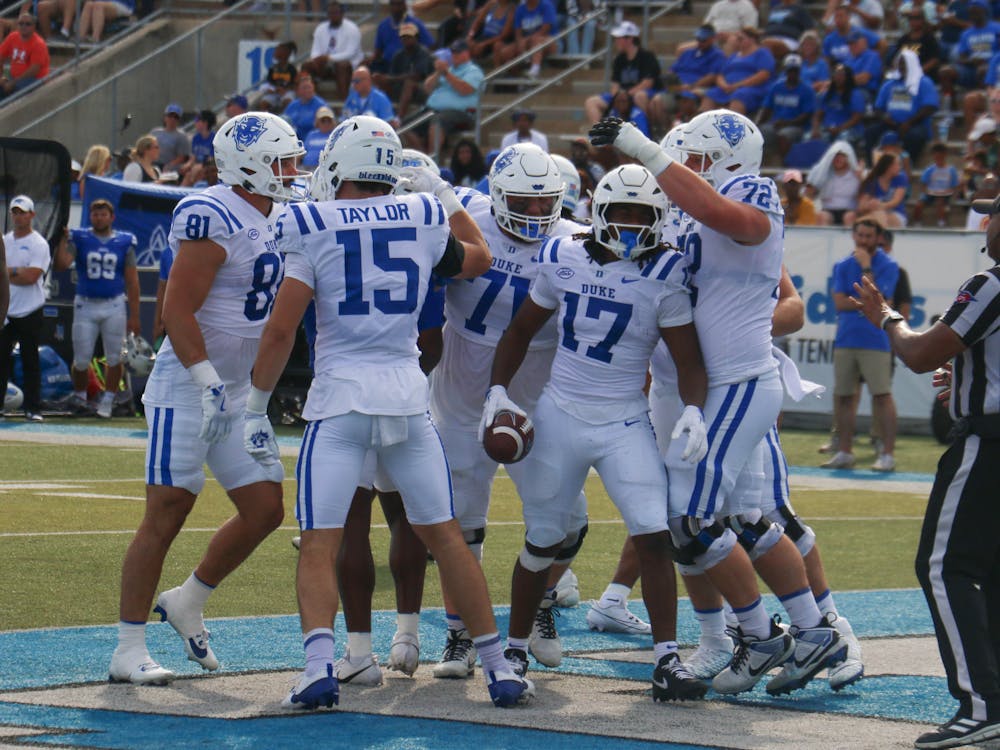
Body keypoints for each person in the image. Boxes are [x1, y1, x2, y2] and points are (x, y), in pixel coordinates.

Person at [242, 115, 533, 710]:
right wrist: (445, 196)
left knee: (320, 540)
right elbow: (476, 258)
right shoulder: (422, 216)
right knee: (448, 539)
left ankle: (322, 667)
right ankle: (500, 669)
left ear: (338, 168)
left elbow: (280, 331)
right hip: (407, 398)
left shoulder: (309, 220)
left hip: (341, 400)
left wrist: (254, 406)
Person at [590, 111, 845, 697]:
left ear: (727, 160)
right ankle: (811, 629)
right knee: (744, 519)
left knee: (687, 518)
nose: (682, 168)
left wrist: (642, 147)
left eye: (694, 158)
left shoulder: (751, 191)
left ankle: (760, 636)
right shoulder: (679, 207)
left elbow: (724, 216)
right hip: (694, 386)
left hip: (734, 381)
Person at [484, 163, 710, 701]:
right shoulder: (560, 256)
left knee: (654, 536)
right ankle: (514, 649)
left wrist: (695, 408)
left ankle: (666, 659)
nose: (632, 224)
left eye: (643, 215)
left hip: (623, 419)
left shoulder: (667, 273)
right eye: (622, 213)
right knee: (542, 538)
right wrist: (497, 390)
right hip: (560, 411)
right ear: (599, 213)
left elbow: (689, 361)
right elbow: (519, 331)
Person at [105, 113, 304, 684]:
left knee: (266, 508)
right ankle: (127, 647)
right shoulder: (210, 213)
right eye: (281, 161)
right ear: (247, 165)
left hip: (239, 390)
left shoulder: (281, 212)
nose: (293, 172)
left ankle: (189, 598)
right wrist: (206, 382)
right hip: (189, 386)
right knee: (167, 512)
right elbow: (176, 311)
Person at [427, 143, 583, 679]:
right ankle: (459, 634)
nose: (538, 213)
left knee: (570, 519)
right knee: (459, 521)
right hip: (462, 378)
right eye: (525, 201)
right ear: (496, 194)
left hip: (537, 384)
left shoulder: (576, 240)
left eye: (547, 203)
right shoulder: (463, 213)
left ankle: (537, 604)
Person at [851, 194, 1000, 750]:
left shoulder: (990, 284)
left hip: (988, 447)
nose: (984, 222)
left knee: (944, 567)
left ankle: (981, 704)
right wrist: (967, 379)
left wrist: (886, 317)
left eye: (994, 213)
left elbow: (917, 353)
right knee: (993, 570)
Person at [821, 217, 898, 471]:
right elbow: (839, 303)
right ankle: (844, 451)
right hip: (846, 338)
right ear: (854, 236)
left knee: (882, 396)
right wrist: (863, 303)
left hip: (876, 339)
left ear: (878, 238)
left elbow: (877, 301)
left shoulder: (888, 265)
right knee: (843, 396)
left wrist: (866, 269)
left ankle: (887, 453)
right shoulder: (842, 265)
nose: (864, 241)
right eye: (860, 235)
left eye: (869, 236)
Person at [53, 198, 140, 420]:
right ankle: (81, 398)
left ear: (112, 217)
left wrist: (135, 315)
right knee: (81, 359)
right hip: (86, 303)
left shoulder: (124, 241)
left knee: (114, 358)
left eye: (103, 214)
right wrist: (62, 240)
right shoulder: (80, 238)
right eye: (95, 214)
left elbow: (132, 281)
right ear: (90, 216)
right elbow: (62, 264)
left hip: (114, 304)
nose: (99, 218)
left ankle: (108, 401)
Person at [0, 195, 51, 422]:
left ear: (32, 215)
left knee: (31, 360)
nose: (18, 216)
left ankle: (33, 408)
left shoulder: (39, 243)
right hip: (6, 310)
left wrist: (6, 272)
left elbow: (31, 276)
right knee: (1, 360)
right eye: (15, 212)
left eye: (23, 212)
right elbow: (19, 274)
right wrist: (15, 271)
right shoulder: (4, 240)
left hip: (30, 309)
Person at [583, 21, 662, 126]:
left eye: (618, 38)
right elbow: (615, 84)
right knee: (591, 102)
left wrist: (626, 95)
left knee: (640, 96)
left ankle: (649, 131)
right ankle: (599, 134)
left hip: (644, 93)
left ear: (630, 39)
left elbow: (648, 83)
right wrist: (617, 96)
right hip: (623, 94)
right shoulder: (619, 59)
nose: (616, 41)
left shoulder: (647, 56)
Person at [423, 39, 484, 159]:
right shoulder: (449, 70)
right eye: (453, 53)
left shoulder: (474, 71)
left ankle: (431, 160)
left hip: (462, 113)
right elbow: (427, 88)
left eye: (458, 52)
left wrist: (446, 73)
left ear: (466, 54)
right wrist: (438, 73)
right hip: (434, 110)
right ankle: (422, 158)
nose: (454, 55)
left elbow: (465, 89)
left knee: (438, 120)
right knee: (409, 125)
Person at [699, 27, 774, 115]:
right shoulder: (734, 56)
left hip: (752, 88)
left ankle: (734, 126)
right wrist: (724, 85)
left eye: (740, 39)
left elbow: (763, 74)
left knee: (739, 94)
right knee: (711, 94)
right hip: (728, 88)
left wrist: (738, 85)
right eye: (737, 39)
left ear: (752, 39)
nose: (738, 41)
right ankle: (706, 123)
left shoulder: (762, 53)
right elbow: (721, 74)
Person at [757, 54, 817, 163]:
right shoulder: (777, 87)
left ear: (799, 71)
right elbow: (767, 108)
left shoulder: (806, 90)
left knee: (784, 135)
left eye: (795, 71)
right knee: (760, 133)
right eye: (790, 70)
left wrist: (786, 123)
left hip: (797, 126)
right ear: (785, 70)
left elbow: (806, 115)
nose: (792, 73)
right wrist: (756, 125)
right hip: (776, 123)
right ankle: (760, 164)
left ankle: (782, 164)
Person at [373, 22, 434, 121]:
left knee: (409, 83)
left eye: (409, 37)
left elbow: (417, 76)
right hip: (401, 89)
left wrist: (390, 78)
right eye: (403, 37)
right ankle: (380, 114)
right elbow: (392, 75)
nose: (406, 40)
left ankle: (399, 118)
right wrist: (382, 78)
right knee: (379, 80)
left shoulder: (423, 53)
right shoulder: (399, 55)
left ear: (416, 38)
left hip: (423, 90)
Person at [303, 2, 364, 100]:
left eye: (336, 13)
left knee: (341, 66)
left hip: (349, 65)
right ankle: (313, 100)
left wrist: (329, 58)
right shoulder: (320, 29)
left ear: (342, 14)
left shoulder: (352, 29)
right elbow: (314, 52)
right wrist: (320, 59)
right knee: (307, 66)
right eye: (330, 13)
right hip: (326, 65)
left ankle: (343, 102)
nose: (333, 16)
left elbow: (350, 53)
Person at [494, 0, 558, 79]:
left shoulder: (546, 5)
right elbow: (518, 33)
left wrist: (525, 41)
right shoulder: (520, 9)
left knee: (536, 39)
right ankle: (515, 77)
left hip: (548, 41)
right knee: (505, 52)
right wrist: (520, 42)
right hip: (527, 43)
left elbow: (545, 30)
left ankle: (535, 70)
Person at [370, 0, 434, 75]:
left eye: (399, 4)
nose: (396, 8)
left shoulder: (416, 23)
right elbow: (378, 51)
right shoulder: (383, 25)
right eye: (393, 4)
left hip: (409, 66)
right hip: (387, 65)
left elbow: (431, 46)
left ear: (405, 6)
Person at [0, 14, 49, 99]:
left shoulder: (38, 43)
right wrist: (1, 77)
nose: (24, 26)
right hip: (14, 79)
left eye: (27, 24)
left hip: (34, 80)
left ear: (34, 27)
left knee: (15, 92)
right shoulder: (13, 37)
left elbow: (34, 70)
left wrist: (13, 83)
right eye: (21, 23)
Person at [913, 143, 961, 227]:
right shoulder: (929, 170)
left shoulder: (951, 170)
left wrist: (951, 193)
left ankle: (941, 223)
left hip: (945, 194)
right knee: (919, 205)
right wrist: (927, 191)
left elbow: (954, 186)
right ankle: (917, 222)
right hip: (930, 193)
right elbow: (923, 184)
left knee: (940, 202)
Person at [254, 41, 298, 112]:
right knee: (264, 102)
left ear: (285, 54)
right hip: (275, 92)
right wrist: (273, 89)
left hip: (287, 92)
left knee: (288, 101)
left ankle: (286, 118)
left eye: (277, 50)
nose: (275, 53)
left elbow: (295, 84)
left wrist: (285, 90)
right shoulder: (273, 68)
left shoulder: (291, 69)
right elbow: (270, 83)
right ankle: (265, 118)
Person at [283, 75, 329, 142]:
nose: (308, 90)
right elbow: (284, 121)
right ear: (298, 90)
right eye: (304, 88)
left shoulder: (320, 105)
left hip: (313, 142)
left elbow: (326, 127)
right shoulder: (293, 105)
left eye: (309, 87)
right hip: (293, 142)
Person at [152, 103, 192, 177]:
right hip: (153, 164)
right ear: (165, 117)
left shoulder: (181, 136)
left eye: (176, 117)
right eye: (170, 116)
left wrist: (169, 166)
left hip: (169, 167)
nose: (173, 119)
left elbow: (182, 157)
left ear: (179, 120)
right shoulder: (155, 132)